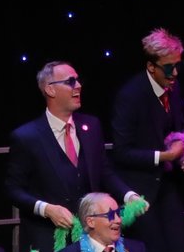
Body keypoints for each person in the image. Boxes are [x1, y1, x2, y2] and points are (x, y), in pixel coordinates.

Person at [107, 28, 184, 252]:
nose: (175, 74)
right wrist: (163, 156)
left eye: (177, 66)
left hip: (167, 185)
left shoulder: (173, 88)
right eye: (169, 68)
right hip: (139, 191)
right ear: (151, 66)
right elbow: (121, 151)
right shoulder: (130, 96)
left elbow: (180, 126)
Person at [8, 61, 119, 240]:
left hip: (90, 238)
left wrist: (130, 195)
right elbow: (13, 190)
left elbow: (104, 171)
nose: (79, 86)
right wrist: (47, 209)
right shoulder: (26, 137)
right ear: (50, 89)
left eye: (78, 80)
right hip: (48, 240)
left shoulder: (92, 126)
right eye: (70, 81)